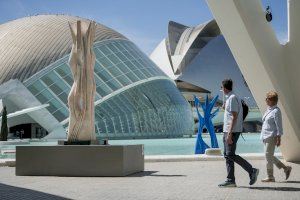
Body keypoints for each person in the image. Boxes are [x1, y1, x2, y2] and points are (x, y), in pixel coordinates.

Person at [218, 79, 259, 187]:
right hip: (228, 130)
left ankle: (251, 170)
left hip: (232, 131)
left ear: (225, 88)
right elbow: (230, 114)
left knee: (230, 154)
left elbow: (234, 116)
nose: (221, 90)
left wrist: (230, 134)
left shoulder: (232, 98)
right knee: (227, 155)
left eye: (221, 88)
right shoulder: (231, 98)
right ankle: (230, 180)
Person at [261, 91, 292, 182]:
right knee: (269, 156)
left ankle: (270, 176)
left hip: (271, 136)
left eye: (267, 98)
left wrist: (279, 138)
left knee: (268, 156)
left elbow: (279, 126)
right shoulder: (269, 109)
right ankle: (286, 168)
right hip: (265, 136)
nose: (265, 100)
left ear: (272, 100)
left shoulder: (276, 111)